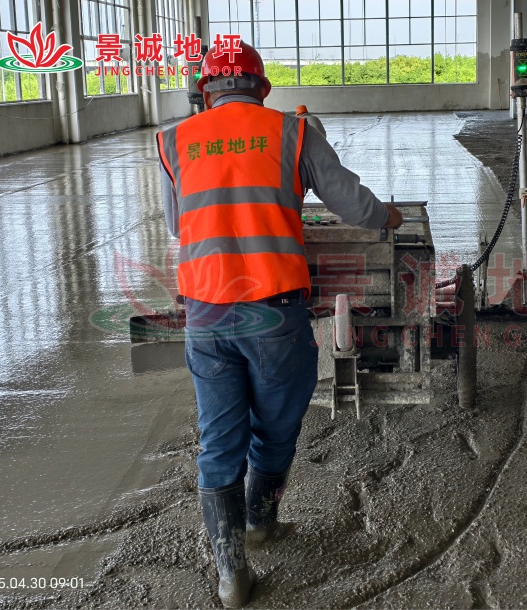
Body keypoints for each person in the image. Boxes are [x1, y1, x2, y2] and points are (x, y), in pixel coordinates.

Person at [157, 42, 403, 608]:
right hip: (273, 310)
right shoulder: (292, 132)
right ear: (261, 87)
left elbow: (177, 225)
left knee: (219, 438)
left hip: (205, 311)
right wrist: (387, 215)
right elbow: (354, 206)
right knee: (275, 424)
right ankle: (261, 522)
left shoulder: (175, 140)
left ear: (206, 90)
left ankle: (230, 574)